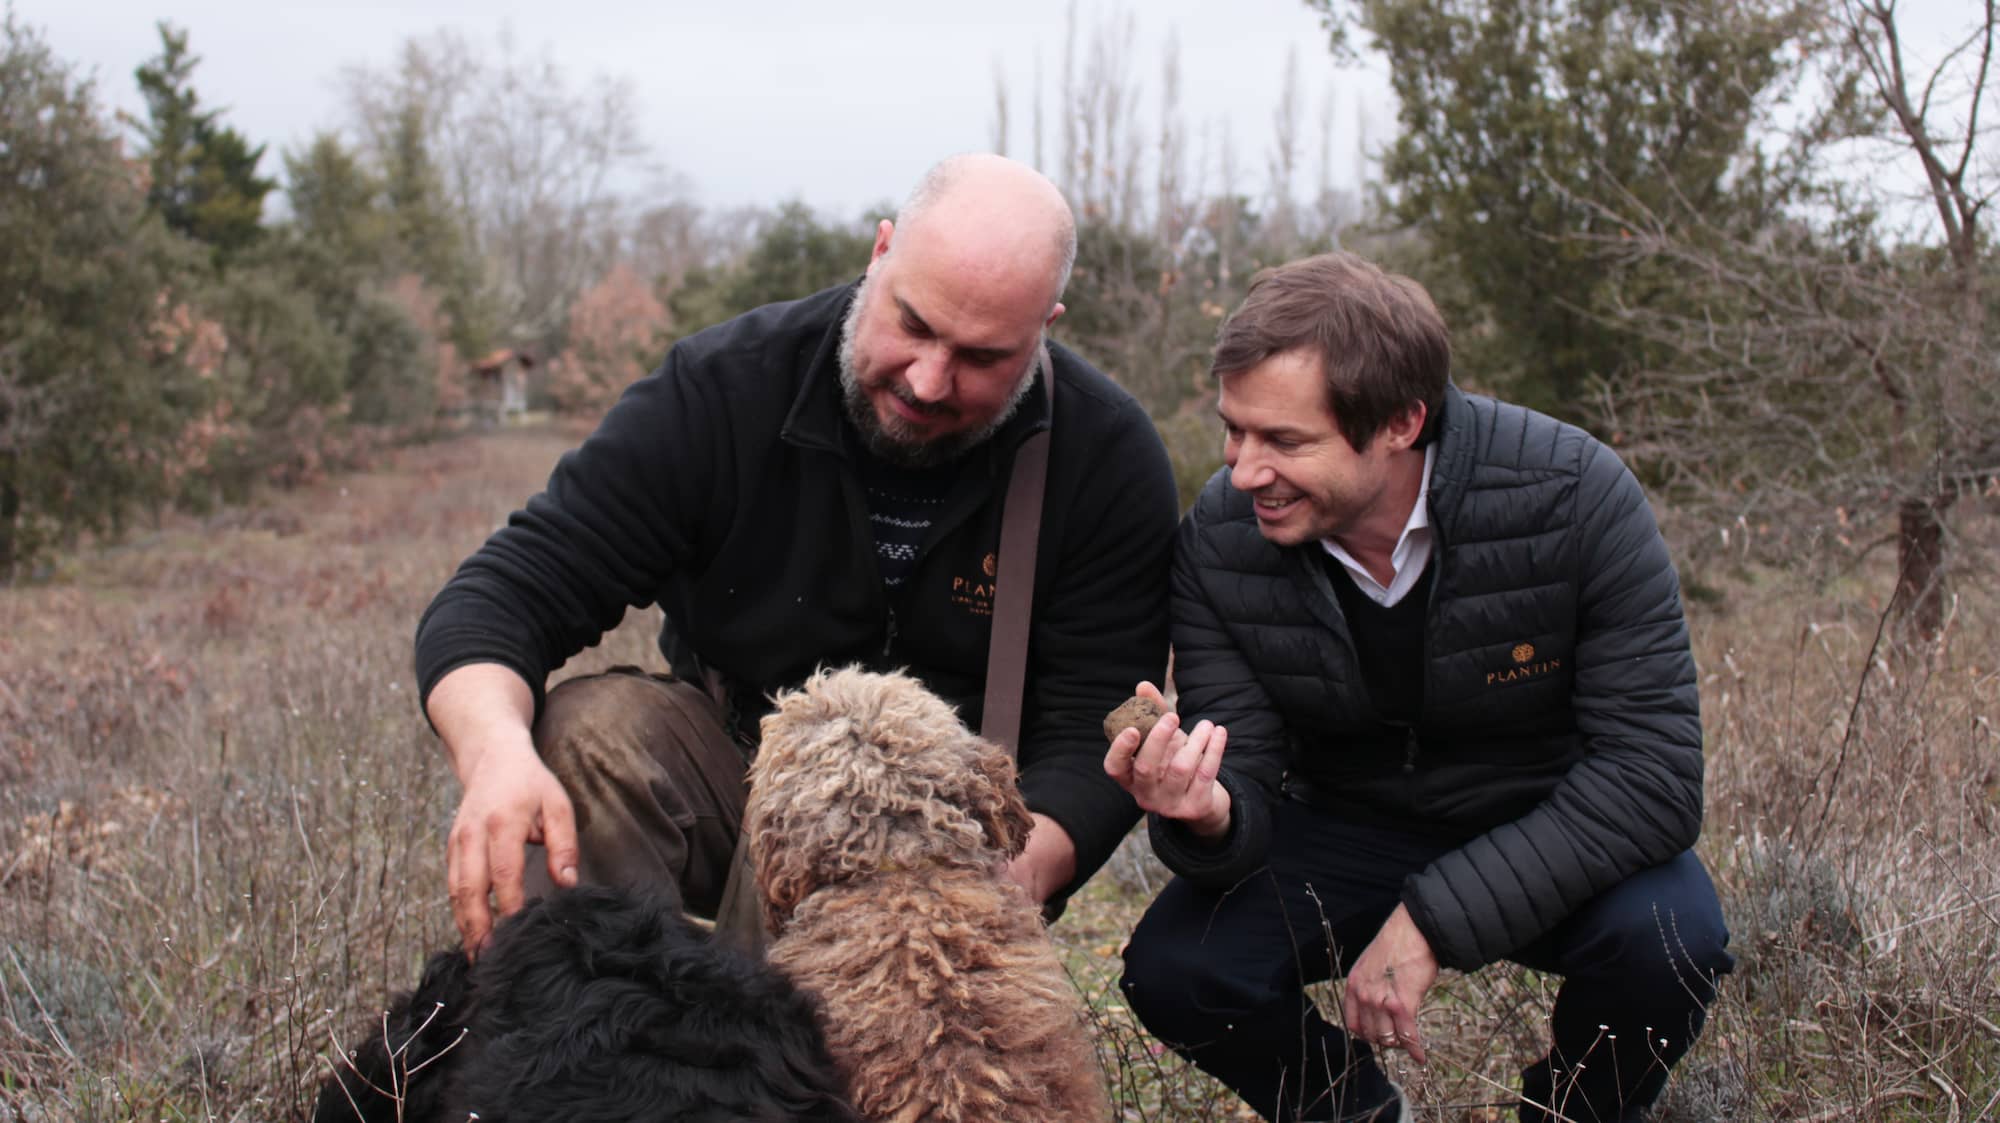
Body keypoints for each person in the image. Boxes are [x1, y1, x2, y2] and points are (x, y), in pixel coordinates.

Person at [416, 153, 1178, 955]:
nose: (926, 380)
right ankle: (605, 1042)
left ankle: (785, 1066)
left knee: (852, 830)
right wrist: (498, 753)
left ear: (1044, 328)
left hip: (943, 824)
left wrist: (1006, 881)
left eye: (982, 357)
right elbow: (507, 592)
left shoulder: (1105, 455)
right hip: (735, 760)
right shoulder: (725, 389)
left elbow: (1099, 725)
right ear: (880, 253)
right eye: (913, 324)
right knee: (583, 734)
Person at [1105, 252, 1733, 1123]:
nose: (1244, 471)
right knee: (1178, 967)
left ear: (1402, 421)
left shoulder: (1574, 495)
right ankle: (1356, 1113)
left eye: (1285, 441)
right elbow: (1245, 779)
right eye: (1235, 430)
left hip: (1545, 819)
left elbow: (1654, 779)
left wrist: (1431, 920)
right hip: (1345, 826)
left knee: (1671, 940)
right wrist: (1205, 813)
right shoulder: (1221, 538)